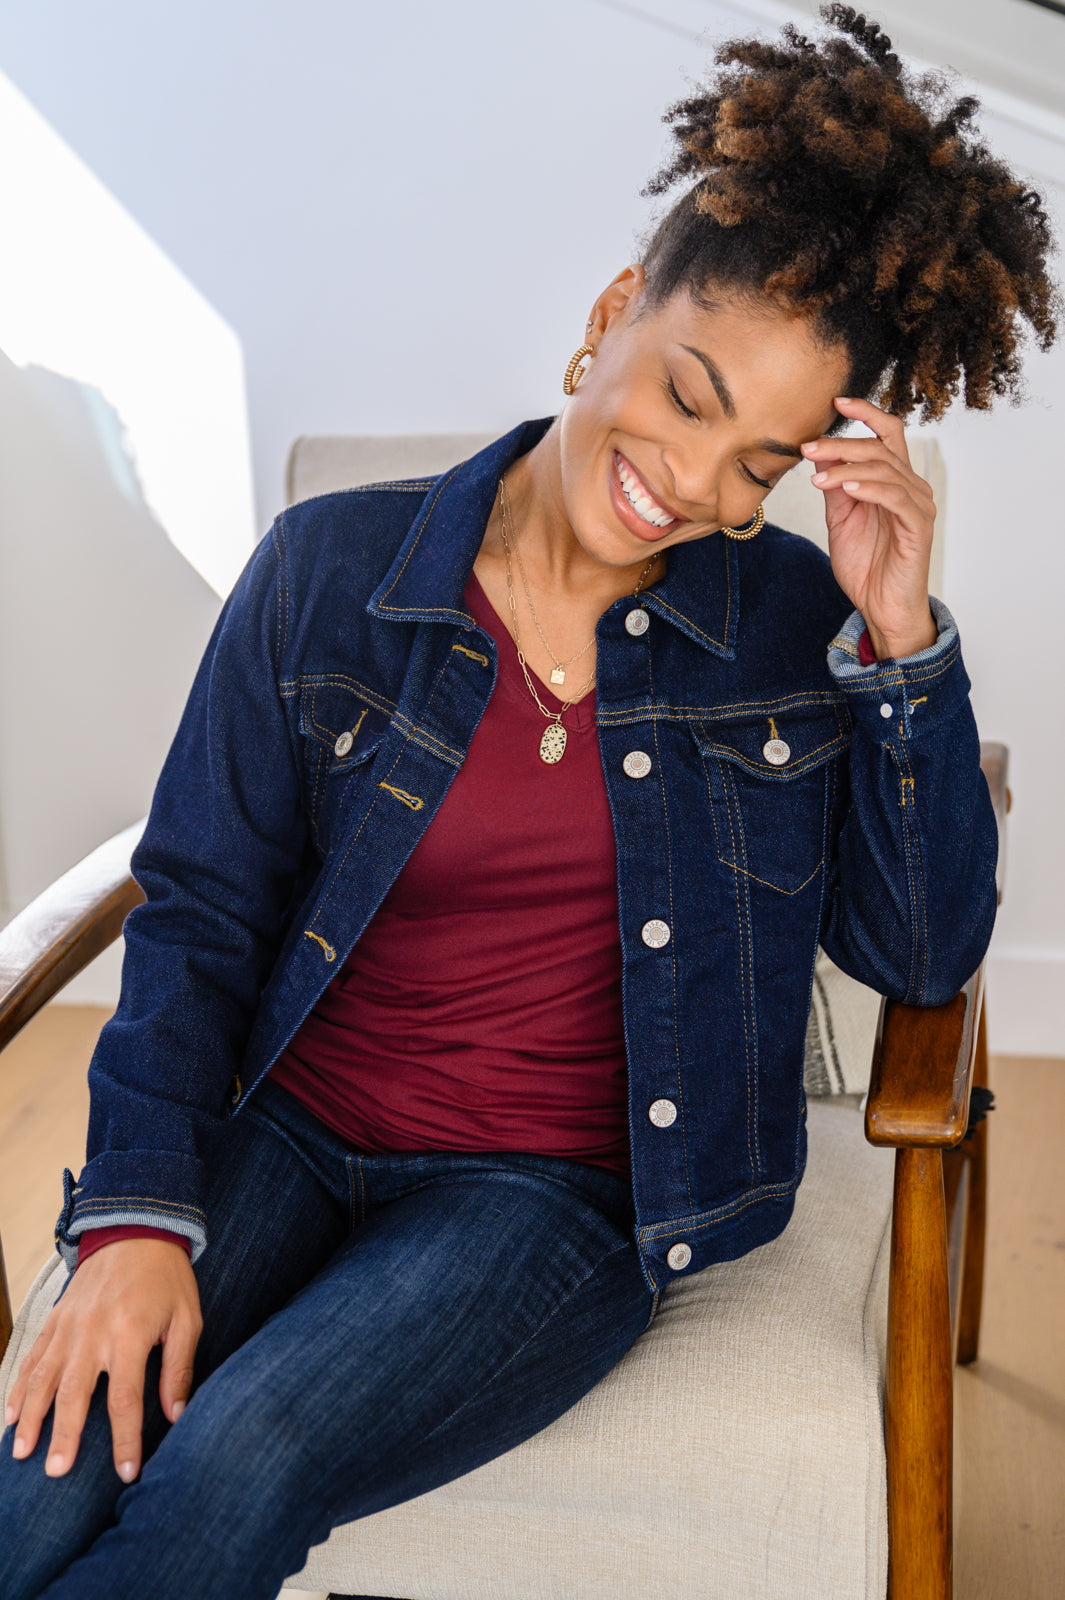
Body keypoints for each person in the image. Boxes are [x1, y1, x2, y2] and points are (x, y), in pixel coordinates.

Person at [0, 6, 1057, 1596]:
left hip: (558, 1199)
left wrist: (897, 640)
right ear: (612, 311)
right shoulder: (331, 575)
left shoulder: (791, 625)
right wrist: (137, 1221)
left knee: (240, 1458)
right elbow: (204, 911)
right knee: (46, 1474)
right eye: (689, 396)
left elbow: (919, 957)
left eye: (758, 462)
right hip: (288, 1127)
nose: (698, 487)